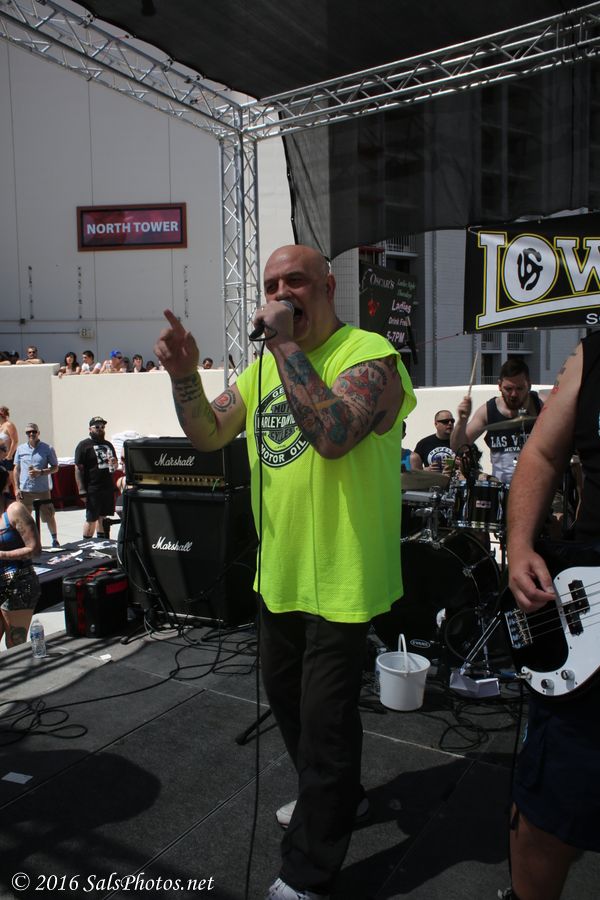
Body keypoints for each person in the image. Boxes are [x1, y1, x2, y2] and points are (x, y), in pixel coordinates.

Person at [155, 243, 416, 900]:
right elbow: (208, 434)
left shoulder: (370, 355)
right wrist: (183, 376)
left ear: (327, 286)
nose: (279, 293)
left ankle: (308, 872)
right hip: (280, 575)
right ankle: (336, 798)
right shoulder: (263, 368)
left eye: (294, 280)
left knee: (326, 723)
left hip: (343, 578)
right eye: (271, 284)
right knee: (291, 709)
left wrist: (283, 346)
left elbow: (333, 436)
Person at [504, 334, 600, 900]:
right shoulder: (594, 355)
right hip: (588, 623)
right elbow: (541, 454)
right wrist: (519, 545)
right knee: (546, 811)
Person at [450, 358, 543, 483]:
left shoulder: (542, 405)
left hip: (538, 485)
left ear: (529, 385)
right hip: (501, 487)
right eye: (508, 389)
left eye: (519, 388)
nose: (514, 394)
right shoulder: (488, 411)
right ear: (499, 385)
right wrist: (462, 421)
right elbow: (458, 447)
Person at [0, 467, 42, 649]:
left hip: (18, 582)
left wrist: (3, 555)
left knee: (14, 643)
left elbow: (35, 549)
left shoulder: (15, 510)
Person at [13, 424, 60, 548]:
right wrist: (16, 488)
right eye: (28, 432)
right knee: (23, 518)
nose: (31, 434)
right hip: (25, 490)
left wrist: (41, 472)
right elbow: (16, 469)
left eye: (34, 431)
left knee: (49, 515)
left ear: (38, 433)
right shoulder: (20, 449)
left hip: (42, 490)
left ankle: (55, 540)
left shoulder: (47, 448)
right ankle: (25, 543)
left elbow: (55, 468)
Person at [74, 417, 118, 540]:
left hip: (107, 486)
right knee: (91, 518)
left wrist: (114, 463)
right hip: (92, 487)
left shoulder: (108, 445)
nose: (100, 429)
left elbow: (114, 465)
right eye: (97, 427)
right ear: (90, 429)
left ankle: (102, 542)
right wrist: (81, 489)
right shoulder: (84, 445)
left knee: (103, 517)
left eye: (102, 427)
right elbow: (78, 468)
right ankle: (86, 544)